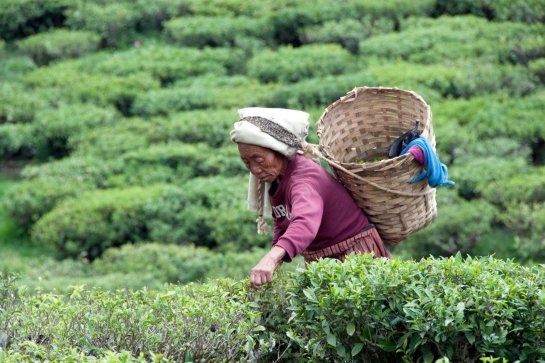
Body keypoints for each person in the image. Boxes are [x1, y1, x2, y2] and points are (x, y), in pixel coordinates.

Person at [230, 107, 423, 289]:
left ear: (279, 151)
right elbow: (282, 224)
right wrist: (273, 265)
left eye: (259, 159)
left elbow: (304, 224)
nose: (254, 169)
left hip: (354, 254)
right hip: (321, 261)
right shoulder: (277, 179)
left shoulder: (303, 180)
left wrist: (271, 258)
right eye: (246, 162)